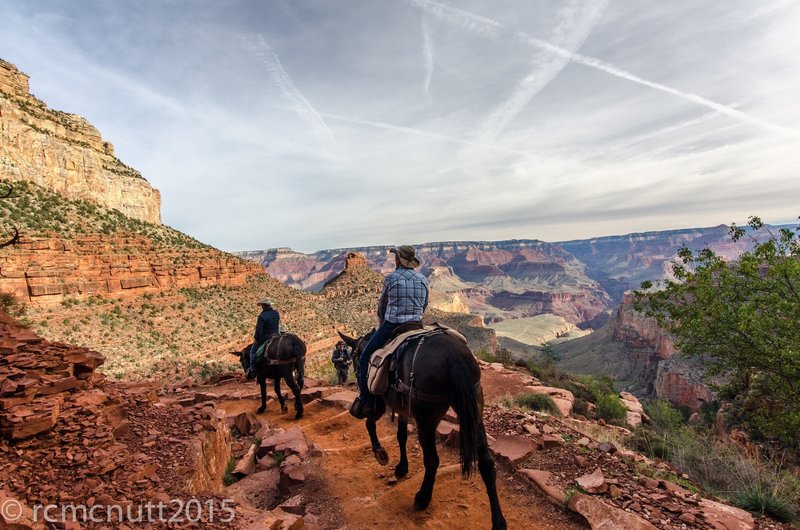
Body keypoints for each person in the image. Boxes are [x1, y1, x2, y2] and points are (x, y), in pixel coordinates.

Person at [350, 245, 429, 419]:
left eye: (396, 257)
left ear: (398, 260)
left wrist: (382, 321)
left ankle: (367, 401)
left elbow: (382, 305)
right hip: (416, 325)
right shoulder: (423, 278)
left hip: (393, 325)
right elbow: (424, 305)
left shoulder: (391, 278)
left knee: (364, 358)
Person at [247, 297, 280, 379]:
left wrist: (256, 339)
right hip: (276, 335)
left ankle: (252, 370)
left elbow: (259, 331)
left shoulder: (262, 316)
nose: (261, 307)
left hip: (266, 337)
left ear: (264, 306)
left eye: (262, 305)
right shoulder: (276, 313)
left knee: (252, 351)